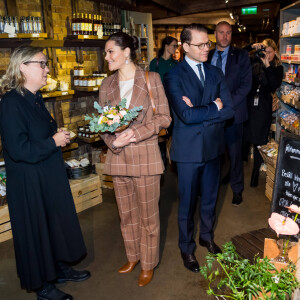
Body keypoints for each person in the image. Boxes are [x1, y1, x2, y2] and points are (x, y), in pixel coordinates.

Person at [0, 46, 90, 300]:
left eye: (46, 63)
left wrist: (55, 136)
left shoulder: (34, 98)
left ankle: (59, 269)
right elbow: (18, 149)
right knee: (36, 230)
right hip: (30, 182)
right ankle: (42, 286)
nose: (47, 68)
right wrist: (53, 141)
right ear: (22, 67)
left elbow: (37, 134)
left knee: (54, 224)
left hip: (47, 175)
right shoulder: (10, 103)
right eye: (42, 63)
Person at [99, 32, 171, 286]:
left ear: (127, 51)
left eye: (110, 51)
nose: (106, 56)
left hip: (146, 157)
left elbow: (164, 118)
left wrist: (134, 134)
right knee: (126, 214)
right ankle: (133, 256)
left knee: (148, 217)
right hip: (118, 158)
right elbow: (102, 124)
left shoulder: (151, 79)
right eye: (106, 52)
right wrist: (113, 142)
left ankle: (148, 263)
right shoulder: (106, 85)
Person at [164, 24, 234, 273]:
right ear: (185, 47)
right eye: (201, 44)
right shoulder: (174, 76)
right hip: (189, 151)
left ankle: (207, 236)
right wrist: (214, 107)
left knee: (210, 199)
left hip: (214, 147)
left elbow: (230, 110)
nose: (207, 48)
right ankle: (186, 247)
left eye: (208, 44)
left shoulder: (215, 73)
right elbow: (184, 114)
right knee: (187, 203)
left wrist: (201, 111)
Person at [208, 21, 252, 206]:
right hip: (210, 115)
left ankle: (237, 190)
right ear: (215, 34)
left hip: (234, 114)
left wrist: (225, 104)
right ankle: (211, 189)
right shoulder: (206, 55)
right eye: (221, 32)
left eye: (228, 33)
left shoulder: (241, 56)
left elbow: (246, 85)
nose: (224, 36)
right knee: (211, 155)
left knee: (234, 156)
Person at [245, 39, 283, 187]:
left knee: (260, 140)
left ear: (275, 52)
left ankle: (255, 173)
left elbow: (274, 84)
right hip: (249, 105)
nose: (267, 55)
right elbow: (237, 55)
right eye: (264, 52)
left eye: (270, 52)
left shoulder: (277, 68)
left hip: (264, 107)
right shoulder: (254, 62)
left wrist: (267, 65)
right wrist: (251, 48)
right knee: (246, 137)